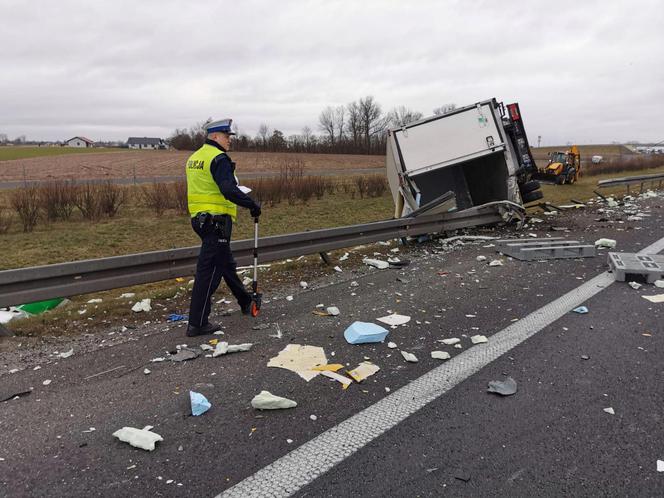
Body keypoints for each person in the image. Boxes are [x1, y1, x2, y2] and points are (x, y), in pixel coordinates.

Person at [185, 118, 261, 337]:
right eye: (227, 137)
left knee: (226, 264)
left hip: (200, 219)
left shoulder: (195, 158)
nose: (230, 141)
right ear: (215, 136)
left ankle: (246, 301)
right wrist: (252, 204)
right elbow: (228, 189)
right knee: (208, 273)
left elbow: (208, 187)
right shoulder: (219, 158)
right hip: (216, 222)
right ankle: (197, 323)